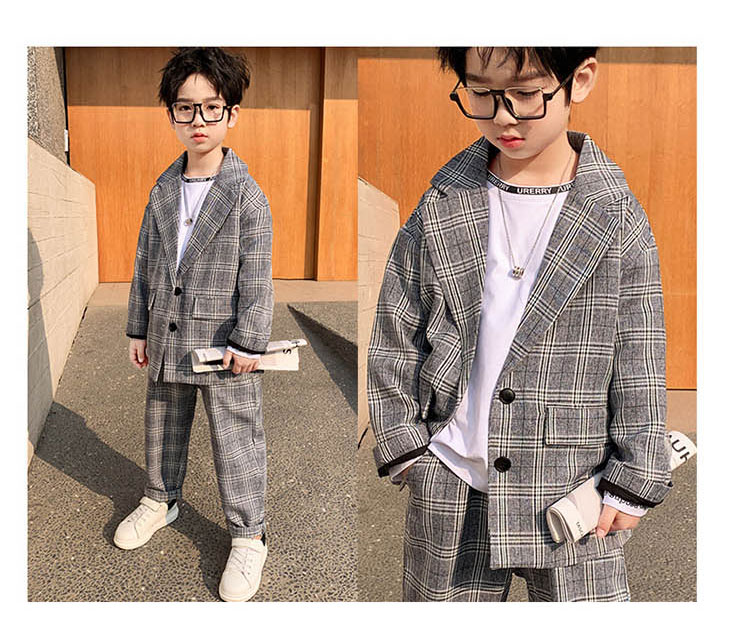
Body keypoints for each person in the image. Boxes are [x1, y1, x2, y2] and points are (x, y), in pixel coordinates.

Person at [367, 47, 673, 601]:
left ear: (580, 80)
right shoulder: (442, 203)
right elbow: (397, 328)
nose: (503, 116)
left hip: (573, 486)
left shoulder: (616, 214)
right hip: (453, 475)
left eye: (527, 94)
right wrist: (407, 448)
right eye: (482, 93)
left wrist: (634, 477)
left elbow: (640, 353)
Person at [115, 47, 274, 603]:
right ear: (172, 115)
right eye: (186, 108)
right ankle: (160, 498)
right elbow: (145, 262)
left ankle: (249, 534)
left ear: (232, 113)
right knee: (162, 421)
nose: (198, 120)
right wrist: (138, 327)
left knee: (236, 438)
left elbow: (257, 274)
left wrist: (249, 340)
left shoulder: (247, 196)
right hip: (167, 330)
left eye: (211, 107)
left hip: (224, 343)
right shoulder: (162, 190)